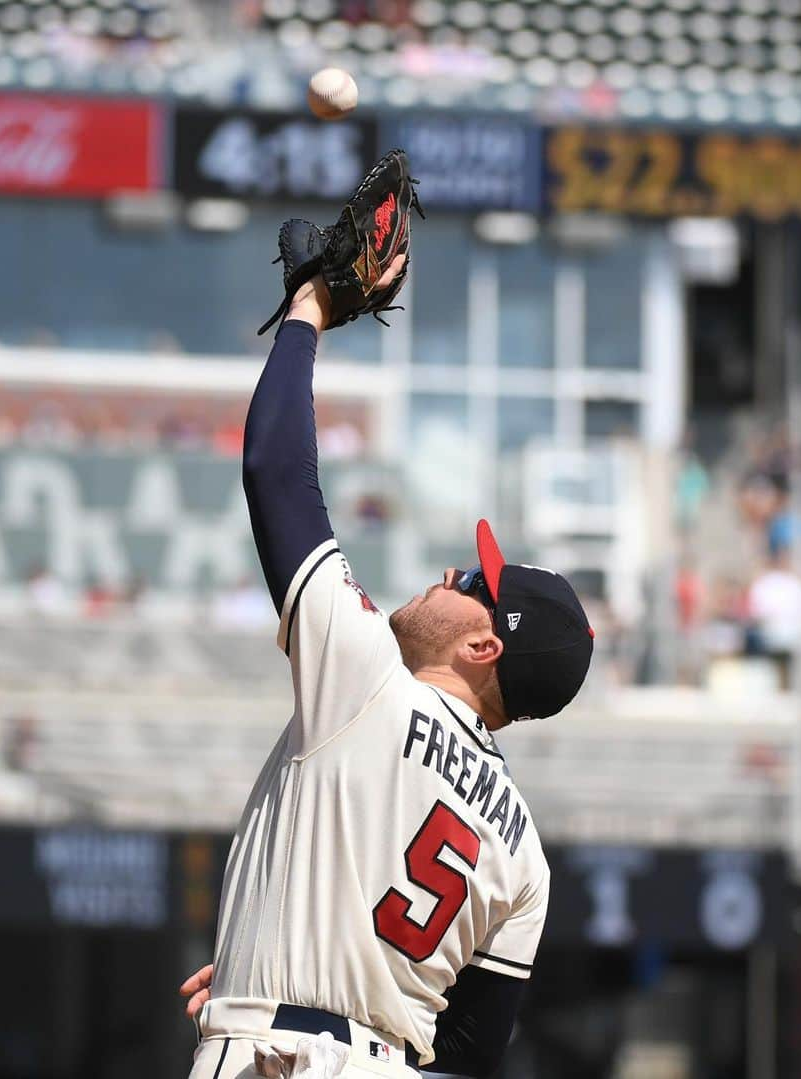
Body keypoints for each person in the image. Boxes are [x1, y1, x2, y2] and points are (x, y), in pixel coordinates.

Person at [183, 164, 593, 1079]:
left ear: (485, 645)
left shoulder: (369, 679)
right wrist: (284, 965)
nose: (452, 570)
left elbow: (275, 477)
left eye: (474, 584)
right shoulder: (522, 849)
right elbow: (474, 1057)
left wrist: (306, 315)